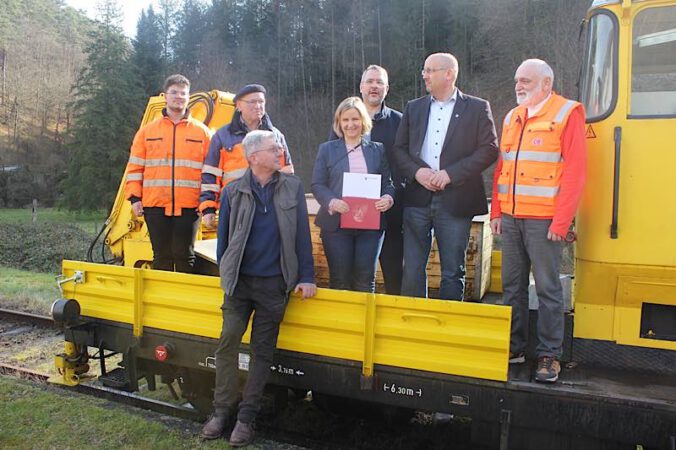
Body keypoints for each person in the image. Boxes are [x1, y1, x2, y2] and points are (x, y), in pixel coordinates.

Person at [200, 130, 316, 446]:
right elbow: (223, 242)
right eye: (272, 147)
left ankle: (246, 419)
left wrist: (306, 276)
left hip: (274, 285)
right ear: (254, 157)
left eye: (279, 145)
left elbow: (302, 238)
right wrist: (227, 274)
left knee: (262, 352)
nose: (280, 149)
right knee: (227, 343)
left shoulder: (292, 187)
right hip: (240, 283)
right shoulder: (233, 191)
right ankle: (221, 412)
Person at [490, 59, 586, 383]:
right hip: (511, 217)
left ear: (546, 83)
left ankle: (549, 355)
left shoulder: (566, 113)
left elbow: (575, 172)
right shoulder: (512, 117)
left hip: (544, 221)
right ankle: (514, 348)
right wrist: (495, 212)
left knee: (547, 289)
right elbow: (502, 169)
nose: (519, 86)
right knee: (511, 287)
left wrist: (562, 222)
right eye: (517, 80)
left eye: (526, 80)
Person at [390, 52, 498, 300]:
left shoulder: (477, 107)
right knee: (413, 269)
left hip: (457, 199)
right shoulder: (413, 107)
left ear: (449, 74)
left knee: (453, 270)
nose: (424, 75)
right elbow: (399, 149)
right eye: (424, 70)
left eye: (430, 70)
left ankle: (448, 326)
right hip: (417, 199)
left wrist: (451, 174)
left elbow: (490, 149)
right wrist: (418, 172)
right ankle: (413, 320)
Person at [124, 74, 212, 273]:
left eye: (183, 93)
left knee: (185, 256)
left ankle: (181, 301)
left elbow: (211, 172)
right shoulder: (147, 132)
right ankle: (160, 302)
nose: (178, 97)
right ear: (165, 96)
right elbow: (135, 167)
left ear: (189, 97)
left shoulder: (202, 133)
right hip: (155, 205)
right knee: (161, 256)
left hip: (190, 206)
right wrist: (135, 198)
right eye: (174, 92)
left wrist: (208, 203)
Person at [330, 65, 404, 294]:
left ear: (387, 88)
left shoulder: (399, 121)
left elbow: (403, 166)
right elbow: (331, 165)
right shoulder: (345, 120)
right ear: (361, 86)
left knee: (393, 274)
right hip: (348, 214)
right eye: (370, 81)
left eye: (379, 82)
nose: (374, 86)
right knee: (350, 277)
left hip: (388, 211)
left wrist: (391, 195)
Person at [313, 96, 395, 292]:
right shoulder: (326, 150)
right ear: (339, 123)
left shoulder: (377, 150)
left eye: (355, 119)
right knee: (340, 280)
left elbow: (388, 183)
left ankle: (363, 323)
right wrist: (332, 201)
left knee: (366, 280)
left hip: (370, 226)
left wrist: (388, 198)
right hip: (337, 226)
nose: (350, 124)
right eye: (346, 120)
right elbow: (317, 184)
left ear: (363, 121)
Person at [199, 84, 294, 228]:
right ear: (238, 105)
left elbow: (287, 172)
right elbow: (211, 174)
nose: (258, 106)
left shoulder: (276, 136)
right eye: (252, 102)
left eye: (261, 102)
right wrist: (208, 207)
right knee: (235, 250)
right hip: (234, 207)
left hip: (269, 207)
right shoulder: (222, 136)